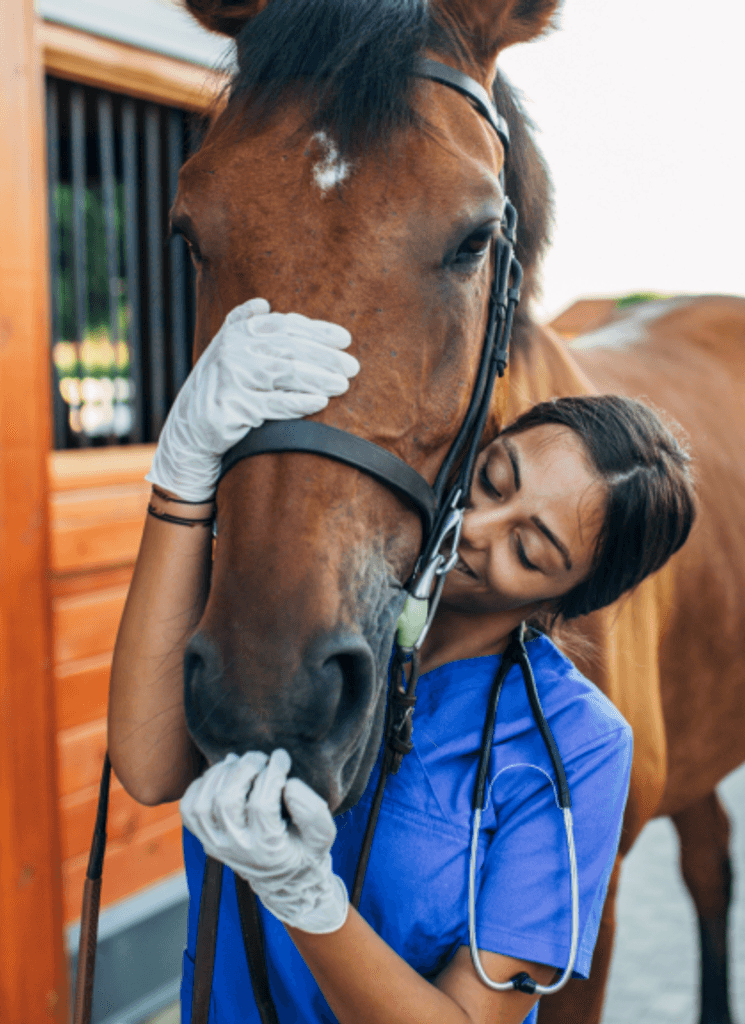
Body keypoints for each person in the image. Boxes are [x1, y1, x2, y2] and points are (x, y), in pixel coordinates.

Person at [109, 299, 696, 1024]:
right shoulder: (307, 613)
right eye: (491, 478)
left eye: (530, 550)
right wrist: (184, 469)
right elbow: (145, 765)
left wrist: (310, 903)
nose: (476, 528)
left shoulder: (577, 750)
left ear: (570, 598)